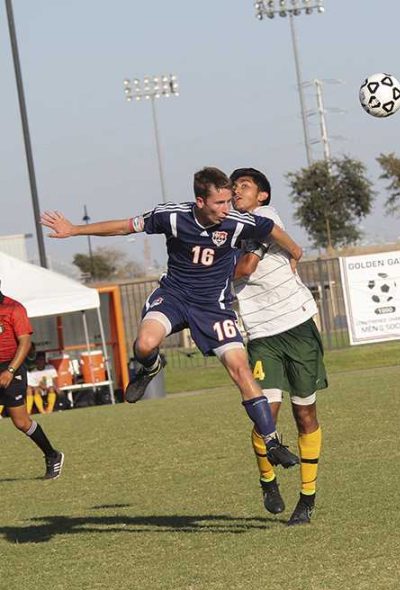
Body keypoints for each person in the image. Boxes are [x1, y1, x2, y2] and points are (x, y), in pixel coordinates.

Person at [40, 167, 302, 468]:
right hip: (174, 296)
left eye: (229, 201)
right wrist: (74, 230)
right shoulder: (172, 216)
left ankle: (272, 442)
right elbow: (126, 227)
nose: (227, 209)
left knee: (240, 369)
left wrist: (295, 250)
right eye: (219, 203)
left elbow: (269, 228)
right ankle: (150, 367)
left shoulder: (237, 222)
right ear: (200, 201)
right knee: (144, 344)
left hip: (213, 305)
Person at [231, 167, 326, 526]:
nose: (237, 191)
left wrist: (207, 275)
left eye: (245, 186)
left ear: (262, 196)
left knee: (305, 415)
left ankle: (308, 496)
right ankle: (268, 482)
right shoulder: (222, 232)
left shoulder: (264, 217)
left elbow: (247, 266)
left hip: (298, 324)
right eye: (233, 187)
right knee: (264, 415)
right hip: (260, 334)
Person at [0, 281, 64, 479]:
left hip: (11, 367)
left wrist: (10, 370)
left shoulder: (14, 308)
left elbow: (25, 342)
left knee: (21, 422)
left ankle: (52, 455)